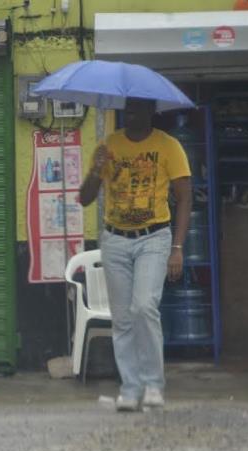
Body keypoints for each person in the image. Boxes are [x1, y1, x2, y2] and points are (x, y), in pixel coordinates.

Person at [79, 97, 192, 412]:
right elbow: (85, 198)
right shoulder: (108, 146)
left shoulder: (169, 147)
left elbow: (184, 199)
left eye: (137, 110)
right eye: (126, 110)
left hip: (153, 238)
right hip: (115, 240)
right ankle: (130, 388)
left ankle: (154, 384)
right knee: (123, 319)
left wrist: (178, 248)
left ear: (150, 112)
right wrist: (96, 170)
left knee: (144, 307)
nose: (130, 115)